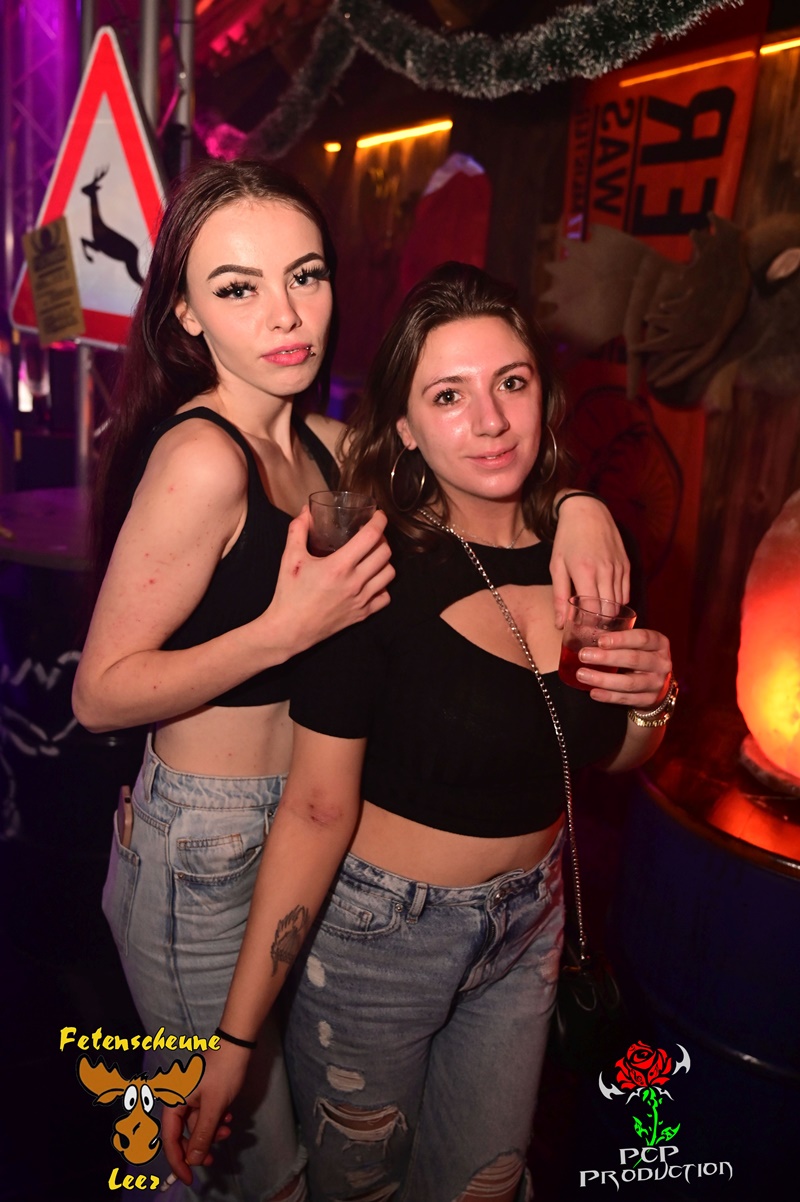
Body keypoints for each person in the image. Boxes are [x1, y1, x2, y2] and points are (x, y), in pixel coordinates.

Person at [72, 157, 627, 1202]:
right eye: (237, 287)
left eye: (306, 275)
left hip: (301, 828)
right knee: (244, 1167)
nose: (284, 314)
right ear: (186, 314)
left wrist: (580, 503)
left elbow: (469, 455)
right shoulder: (206, 458)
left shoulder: (324, 447)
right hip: (203, 848)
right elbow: (98, 693)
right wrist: (282, 630)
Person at [168, 262, 673, 1202]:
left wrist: (652, 700)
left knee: (486, 1184)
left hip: (529, 926)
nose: (490, 421)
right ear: (404, 425)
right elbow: (316, 809)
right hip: (380, 940)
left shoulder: (592, 554)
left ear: (543, 392)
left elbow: (607, 754)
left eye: (511, 382)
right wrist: (234, 1041)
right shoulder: (371, 574)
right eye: (449, 395)